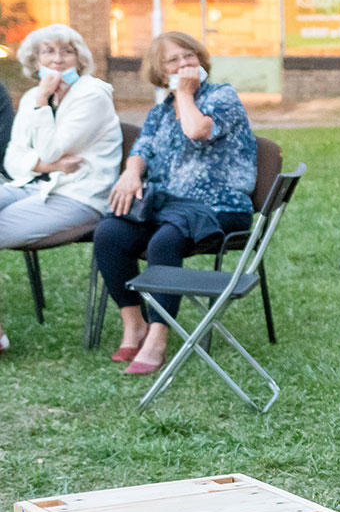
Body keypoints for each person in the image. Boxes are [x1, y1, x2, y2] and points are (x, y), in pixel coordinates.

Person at [94, 32, 257, 375]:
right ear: (160, 70)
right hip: (169, 206)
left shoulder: (222, 96)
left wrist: (184, 93)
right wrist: (131, 173)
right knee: (109, 232)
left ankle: (158, 337)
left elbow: (197, 130)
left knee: (164, 240)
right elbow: (141, 149)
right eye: (173, 60)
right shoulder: (160, 111)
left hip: (220, 207)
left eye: (189, 56)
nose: (184, 64)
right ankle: (134, 324)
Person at [0, 24, 122, 353]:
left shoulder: (92, 94)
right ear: (35, 59)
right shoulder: (32, 96)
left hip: (79, 196)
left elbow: (51, 148)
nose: (57, 59)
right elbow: (12, 159)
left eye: (67, 51)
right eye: (48, 51)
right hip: (33, 186)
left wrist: (43, 102)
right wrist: (47, 166)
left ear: (79, 59)